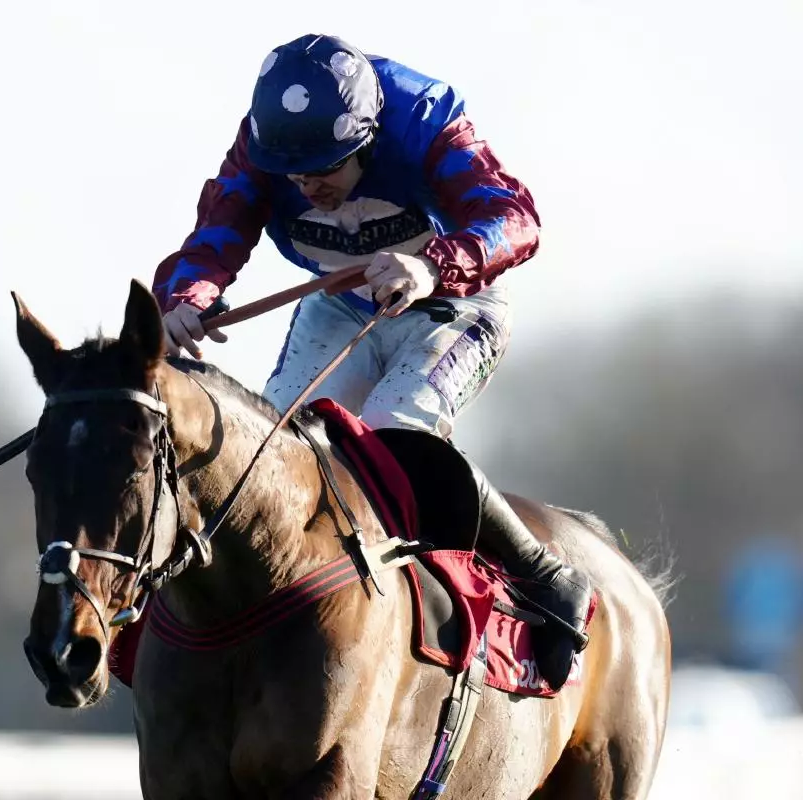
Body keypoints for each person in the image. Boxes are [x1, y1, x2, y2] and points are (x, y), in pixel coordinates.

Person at [150, 33, 591, 690]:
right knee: (280, 452)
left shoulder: (425, 122)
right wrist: (188, 296)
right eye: (295, 176)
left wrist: (431, 266)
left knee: (392, 435)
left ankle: (544, 573)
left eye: (324, 169)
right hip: (340, 304)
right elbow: (220, 229)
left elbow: (516, 219)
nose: (307, 187)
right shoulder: (264, 142)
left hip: (451, 301)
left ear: (367, 139)